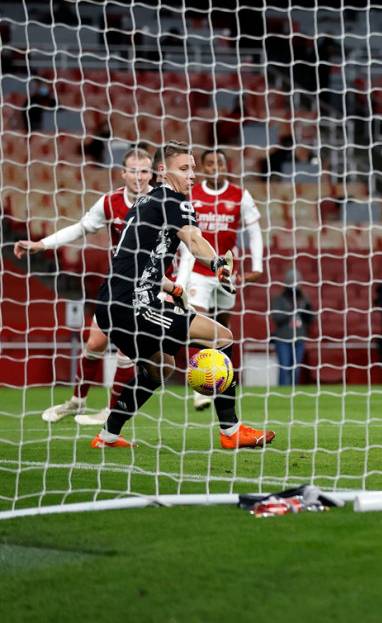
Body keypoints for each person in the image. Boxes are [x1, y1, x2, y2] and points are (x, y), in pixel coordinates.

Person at [90, 140, 274, 449]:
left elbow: (139, 263)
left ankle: (107, 436)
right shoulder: (175, 201)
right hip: (133, 305)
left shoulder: (145, 202)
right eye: (185, 168)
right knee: (222, 337)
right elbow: (194, 238)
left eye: (193, 169)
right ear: (162, 170)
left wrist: (172, 288)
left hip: (111, 305)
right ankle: (231, 431)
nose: (192, 175)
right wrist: (217, 263)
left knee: (160, 367)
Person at [14, 148, 156, 425]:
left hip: (149, 287)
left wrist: (180, 284)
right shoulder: (110, 202)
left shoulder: (163, 202)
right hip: (118, 283)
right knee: (94, 344)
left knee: (125, 351)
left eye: (144, 171)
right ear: (123, 173)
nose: (139, 177)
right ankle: (77, 402)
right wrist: (42, 244)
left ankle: (112, 412)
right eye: (133, 171)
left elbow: (185, 242)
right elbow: (81, 228)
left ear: (151, 174)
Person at [175, 147, 265, 409]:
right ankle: (200, 389)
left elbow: (254, 231)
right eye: (210, 163)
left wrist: (257, 266)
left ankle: (220, 378)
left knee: (222, 328)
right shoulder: (192, 195)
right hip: (198, 270)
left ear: (227, 166)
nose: (215, 167)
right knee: (197, 322)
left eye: (220, 163)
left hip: (226, 272)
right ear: (203, 168)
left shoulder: (240, 195)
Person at [271, 268, 316, 387]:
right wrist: (291, 310)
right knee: (284, 368)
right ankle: (282, 393)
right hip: (283, 339)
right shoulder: (279, 299)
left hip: (299, 339)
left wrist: (306, 310)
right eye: (291, 281)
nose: (294, 284)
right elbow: (276, 317)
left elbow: (312, 319)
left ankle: (293, 392)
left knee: (295, 370)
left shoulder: (303, 299)